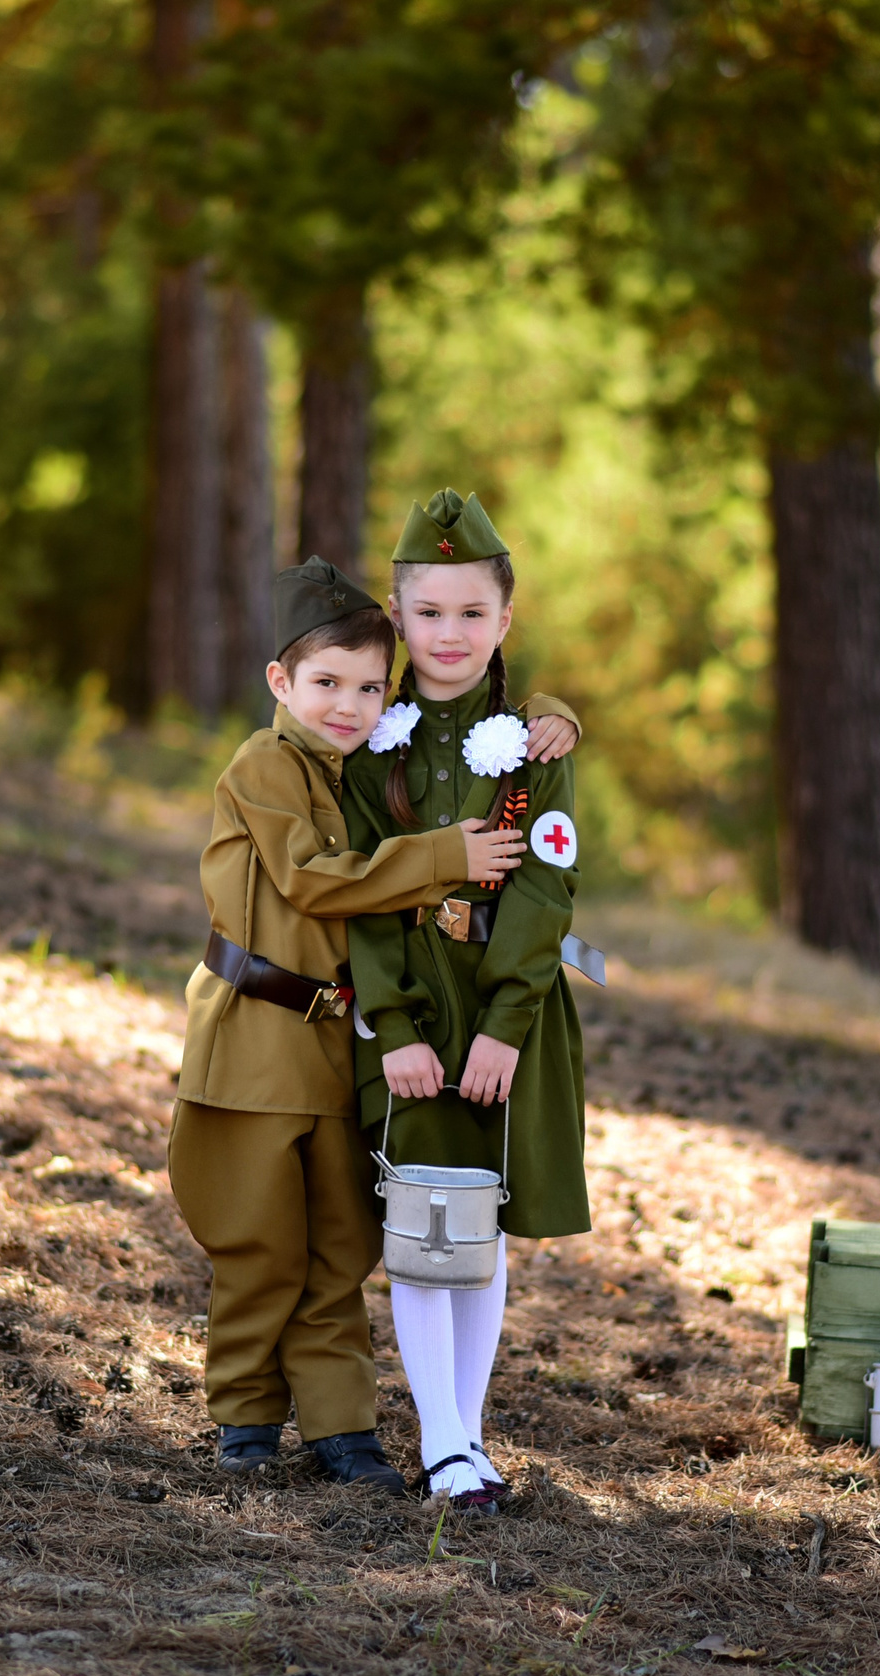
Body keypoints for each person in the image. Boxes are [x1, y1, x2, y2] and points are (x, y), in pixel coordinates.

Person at [168, 556, 579, 1489]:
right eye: (325, 684)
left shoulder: (356, 764)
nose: (349, 705)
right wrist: (448, 855)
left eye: (365, 686)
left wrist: (554, 712)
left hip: (329, 1041)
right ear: (281, 682)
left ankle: (343, 1428)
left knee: (340, 1249)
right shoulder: (266, 766)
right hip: (253, 1040)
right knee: (259, 1244)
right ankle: (245, 1420)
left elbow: (462, 700)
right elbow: (315, 878)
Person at [341, 490, 591, 1513]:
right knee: (421, 1217)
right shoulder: (368, 745)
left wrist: (502, 1024)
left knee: (476, 1223)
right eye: (428, 611)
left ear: (503, 622)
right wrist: (390, 1025)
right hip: (406, 1003)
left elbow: (544, 886)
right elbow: (356, 890)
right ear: (397, 617)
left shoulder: (535, 748)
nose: (449, 633)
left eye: (471, 613)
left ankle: (467, 1432)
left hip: (502, 1007)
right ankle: (441, 1442)